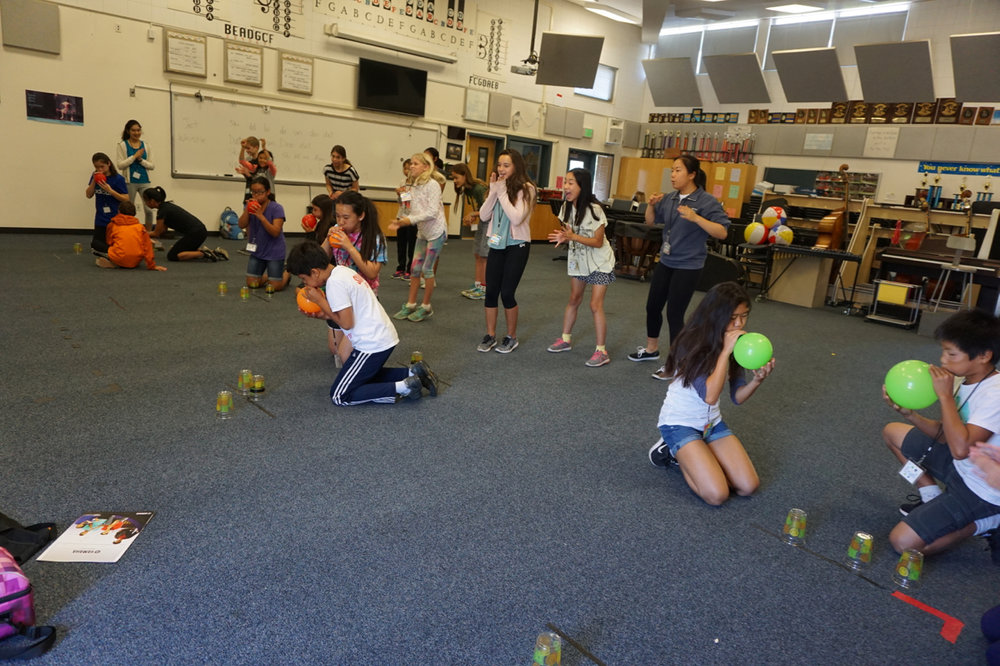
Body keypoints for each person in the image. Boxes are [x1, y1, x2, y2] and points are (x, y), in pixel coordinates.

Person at [881, 309, 1000, 557]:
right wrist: (910, 414)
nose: (943, 360)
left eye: (951, 353)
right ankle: (930, 495)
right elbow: (946, 436)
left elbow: (960, 449)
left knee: (903, 544)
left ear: (984, 356)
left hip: (983, 489)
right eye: (944, 351)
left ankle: (987, 523)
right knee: (893, 432)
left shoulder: (996, 394)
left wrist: (945, 395)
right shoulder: (964, 378)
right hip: (962, 467)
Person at [648, 282, 774, 506]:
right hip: (680, 423)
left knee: (748, 486)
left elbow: (737, 397)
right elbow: (710, 396)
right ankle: (673, 451)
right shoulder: (692, 342)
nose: (739, 324)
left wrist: (757, 380)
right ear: (716, 315)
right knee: (717, 495)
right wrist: (725, 352)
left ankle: (698, 451)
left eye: (744, 316)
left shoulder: (738, 345)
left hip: (711, 424)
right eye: (733, 317)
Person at [286, 240, 439, 405]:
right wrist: (322, 315)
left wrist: (320, 301)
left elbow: (346, 324)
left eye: (303, 278)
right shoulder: (341, 271)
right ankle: (413, 373)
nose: (305, 284)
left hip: (371, 344)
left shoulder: (334, 284)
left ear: (315, 272)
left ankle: (404, 387)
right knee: (363, 375)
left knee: (340, 396)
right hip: (381, 336)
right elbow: (345, 315)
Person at [628, 155, 730, 381]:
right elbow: (650, 222)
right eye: (672, 170)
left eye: (678, 170)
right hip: (666, 261)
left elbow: (722, 232)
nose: (672, 175)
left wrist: (696, 218)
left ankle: (677, 363)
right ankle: (651, 349)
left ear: (692, 174)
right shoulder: (671, 198)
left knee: (675, 313)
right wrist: (651, 206)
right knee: (652, 306)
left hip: (689, 265)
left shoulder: (706, 201)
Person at [546, 168, 616, 367]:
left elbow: (598, 242)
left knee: (595, 305)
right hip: (579, 260)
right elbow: (568, 231)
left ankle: (601, 351)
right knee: (574, 299)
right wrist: (563, 237)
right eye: (565, 182)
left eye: (571, 183)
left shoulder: (595, 210)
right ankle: (565, 339)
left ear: (581, 186)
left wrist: (572, 237)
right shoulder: (566, 208)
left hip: (600, 262)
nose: (566, 187)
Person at [476, 149, 536, 354]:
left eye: (506, 165)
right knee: (491, 291)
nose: (501, 169)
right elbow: (484, 216)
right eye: (499, 165)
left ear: (516, 167)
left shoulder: (527, 189)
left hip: (517, 245)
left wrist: (500, 192)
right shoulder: (497, 187)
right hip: (497, 244)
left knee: (507, 293)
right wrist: (493, 191)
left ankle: (511, 337)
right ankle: (490, 335)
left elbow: (517, 217)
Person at [320, 190, 387, 361]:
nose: (340, 222)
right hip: (341, 295)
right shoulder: (337, 231)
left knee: (348, 355)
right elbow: (318, 261)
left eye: (346, 217)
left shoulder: (375, 237)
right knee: (334, 350)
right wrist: (328, 240)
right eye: (338, 216)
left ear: (361, 216)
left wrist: (349, 246)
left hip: (364, 298)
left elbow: (372, 272)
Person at [388, 152, 446, 323]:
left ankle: (426, 307)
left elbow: (432, 212)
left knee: (427, 269)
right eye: (410, 164)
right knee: (414, 269)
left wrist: (407, 221)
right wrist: (401, 199)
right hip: (422, 232)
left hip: (436, 231)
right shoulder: (412, 185)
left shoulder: (433, 185)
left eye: (415, 163)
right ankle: (411, 304)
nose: (411, 166)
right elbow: (407, 210)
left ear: (426, 167)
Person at [142, 186, 224, 262]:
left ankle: (203, 253)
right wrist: (157, 244)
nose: (145, 204)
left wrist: (140, 232)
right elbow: (162, 231)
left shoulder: (162, 211)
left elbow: (156, 233)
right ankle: (214, 252)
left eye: (145, 201)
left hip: (196, 234)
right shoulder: (166, 207)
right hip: (200, 232)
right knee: (176, 249)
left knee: (173, 256)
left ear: (152, 201)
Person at [238, 177, 290, 290]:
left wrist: (261, 216)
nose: (256, 195)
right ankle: (269, 277)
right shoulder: (251, 206)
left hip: (274, 251)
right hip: (257, 251)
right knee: (252, 284)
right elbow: (241, 225)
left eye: (260, 192)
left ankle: (286, 273)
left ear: (267, 192)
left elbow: (275, 232)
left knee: (275, 287)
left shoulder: (277, 208)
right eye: (254, 192)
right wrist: (247, 209)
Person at [451, 163, 488, 300]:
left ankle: (485, 287)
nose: (454, 181)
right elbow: (480, 210)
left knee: (485, 256)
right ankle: (478, 285)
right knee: (477, 254)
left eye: (456, 177)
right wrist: (474, 216)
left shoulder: (479, 189)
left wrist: (473, 214)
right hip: (483, 221)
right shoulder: (467, 190)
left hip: (491, 223)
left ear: (465, 175)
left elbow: (489, 210)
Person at [96, 201, 166, 271]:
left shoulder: (112, 225)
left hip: (119, 257)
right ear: (134, 213)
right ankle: (126, 259)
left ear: (119, 211)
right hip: (136, 261)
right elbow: (147, 247)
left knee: (96, 243)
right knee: (143, 244)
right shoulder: (140, 227)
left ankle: (115, 262)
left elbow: (109, 242)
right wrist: (152, 266)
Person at [85, 152, 129, 254]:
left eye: (102, 166)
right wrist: (94, 181)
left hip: (114, 218)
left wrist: (110, 191)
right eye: (96, 167)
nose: (100, 169)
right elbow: (88, 195)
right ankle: (111, 253)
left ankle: (115, 253)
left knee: (115, 243)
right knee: (95, 246)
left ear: (108, 164)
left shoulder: (118, 179)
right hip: (100, 218)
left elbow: (126, 199)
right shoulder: (95, 177)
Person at [115, 120, 155, 230]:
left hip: (145, 181)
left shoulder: (146, 145)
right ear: (128, 131)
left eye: (138, 130)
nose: (136, 133)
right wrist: (133, 157)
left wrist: (140, 160)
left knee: (149, 210)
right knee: (128, 210)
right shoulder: (122, 145)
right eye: (133, 130)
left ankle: (147, 234)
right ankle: (128, 232)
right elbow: (120, 165)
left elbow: (152, 165)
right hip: (129, 182)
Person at [393, 158, 417, 279]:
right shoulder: (402, 182)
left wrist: (403, 193)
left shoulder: (416, 184)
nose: (406, 171)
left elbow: (412, 201)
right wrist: (399, 194)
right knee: (401, 243)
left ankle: (409, 269)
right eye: (405, 168)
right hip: (401, 216)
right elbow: (401, 202)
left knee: (411, 244)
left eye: (409, 168)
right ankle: (400, 267)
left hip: (411, 218)